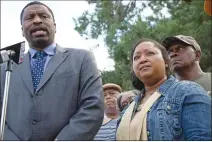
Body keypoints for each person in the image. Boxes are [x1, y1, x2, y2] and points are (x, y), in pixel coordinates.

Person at [0, 1, 104, 140]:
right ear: (22, 30)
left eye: (44, 16)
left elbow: (92, 108)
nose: (37, 20)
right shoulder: (6, 68)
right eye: (29, 18)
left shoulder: (82, 58)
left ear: (54, 26)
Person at [116, 38, 211, 140]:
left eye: (150, 53)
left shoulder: (188, 91)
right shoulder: (127, 109)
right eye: (136, 57)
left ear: (166, 62)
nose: (142, 59)